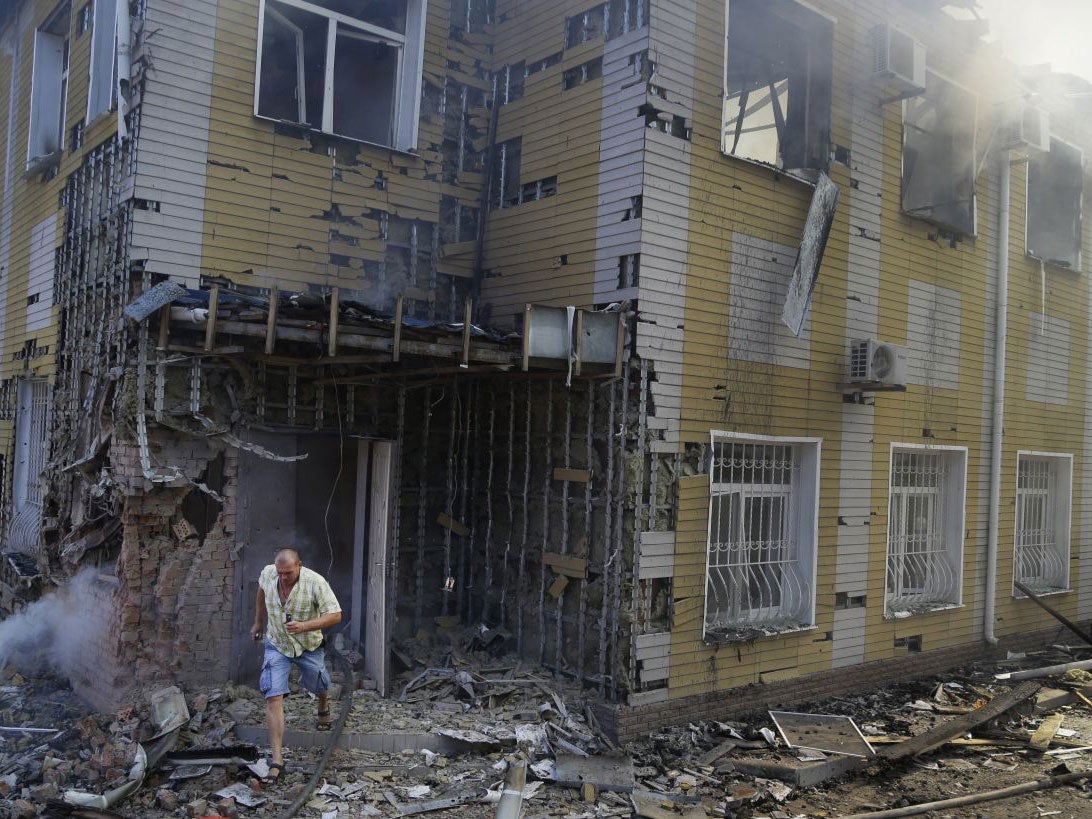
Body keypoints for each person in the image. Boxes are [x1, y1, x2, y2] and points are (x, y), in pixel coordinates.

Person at [250, 549, 342, 781]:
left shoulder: (316, 582)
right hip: (277, 643)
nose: (282, 577)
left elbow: (335, 615)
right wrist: (258, 622)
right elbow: (261, 590)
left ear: (299, 565)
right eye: (280, 573)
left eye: (288, 573)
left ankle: (322, 701)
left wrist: (305, 626)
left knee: (319, 682)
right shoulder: (269, 574)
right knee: (273, 695)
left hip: (307, 645)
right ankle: (277, 761)